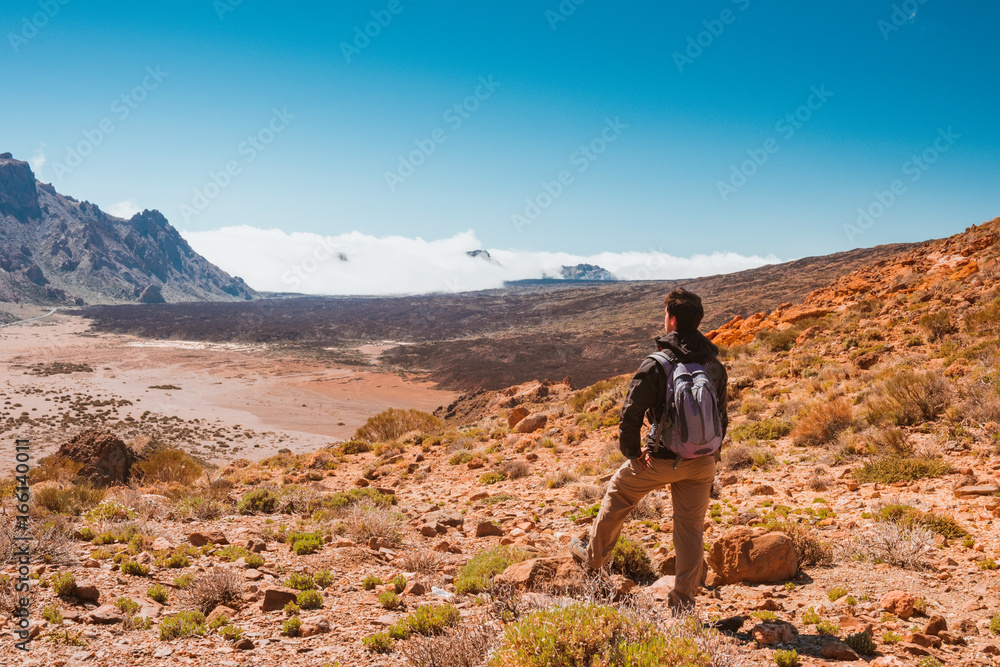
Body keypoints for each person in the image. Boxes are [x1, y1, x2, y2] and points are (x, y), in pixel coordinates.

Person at [570, 287, 728, 610]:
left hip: (659, 461)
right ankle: (683, 603)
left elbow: (631, 414)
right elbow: (722, 417)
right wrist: (709, 454)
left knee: (619, 493)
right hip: (702, 464)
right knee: (690, 528)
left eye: (665, 314)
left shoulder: (656, 364)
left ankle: (594, 560)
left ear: (672, 320)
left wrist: (633, 453)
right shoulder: (714, 365)